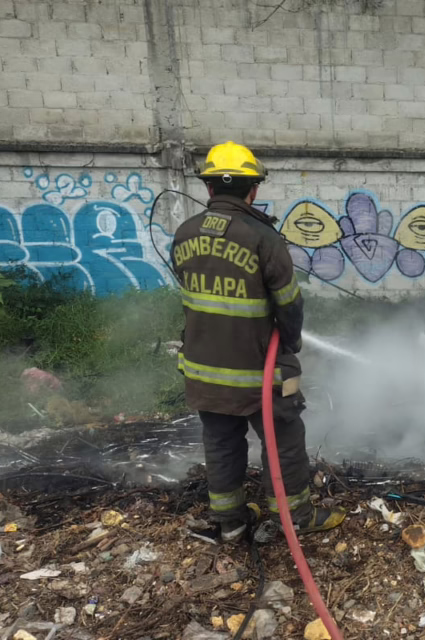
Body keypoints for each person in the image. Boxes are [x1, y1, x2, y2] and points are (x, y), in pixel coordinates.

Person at [171, 141, 343, 543]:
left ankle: (229, 520)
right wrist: (291, 345)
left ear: (210, 189)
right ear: (253, 190)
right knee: (283, 437)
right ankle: (294, 516)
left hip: (203, 369)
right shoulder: (263, 238)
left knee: (220, 439)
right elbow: (289, 305)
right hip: (257, 369)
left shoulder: (184, 233)